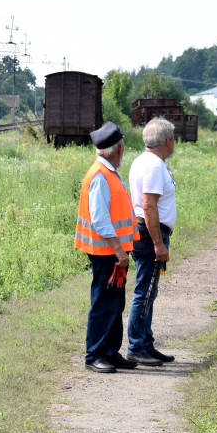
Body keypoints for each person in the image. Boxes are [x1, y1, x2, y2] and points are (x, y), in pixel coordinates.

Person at [74, 121, 140, 374]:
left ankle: (110, 351)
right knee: (103, 303)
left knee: (115, 303)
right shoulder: (101, 176)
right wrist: (120, 251)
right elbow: (100, 220)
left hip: (113, 252)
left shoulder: (106, 171)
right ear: (119, 148)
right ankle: (95, 354)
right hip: (107, 253)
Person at [126, 117, 177, 366]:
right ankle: (136, 346)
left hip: (144, 231)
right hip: (148, 234)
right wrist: (158, 243)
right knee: (144, 292)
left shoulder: (143, 161)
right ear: (167, 140)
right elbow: (148, 206)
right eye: (174, 138)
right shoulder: (155, 166)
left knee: (148, 290)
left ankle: (146, 342)